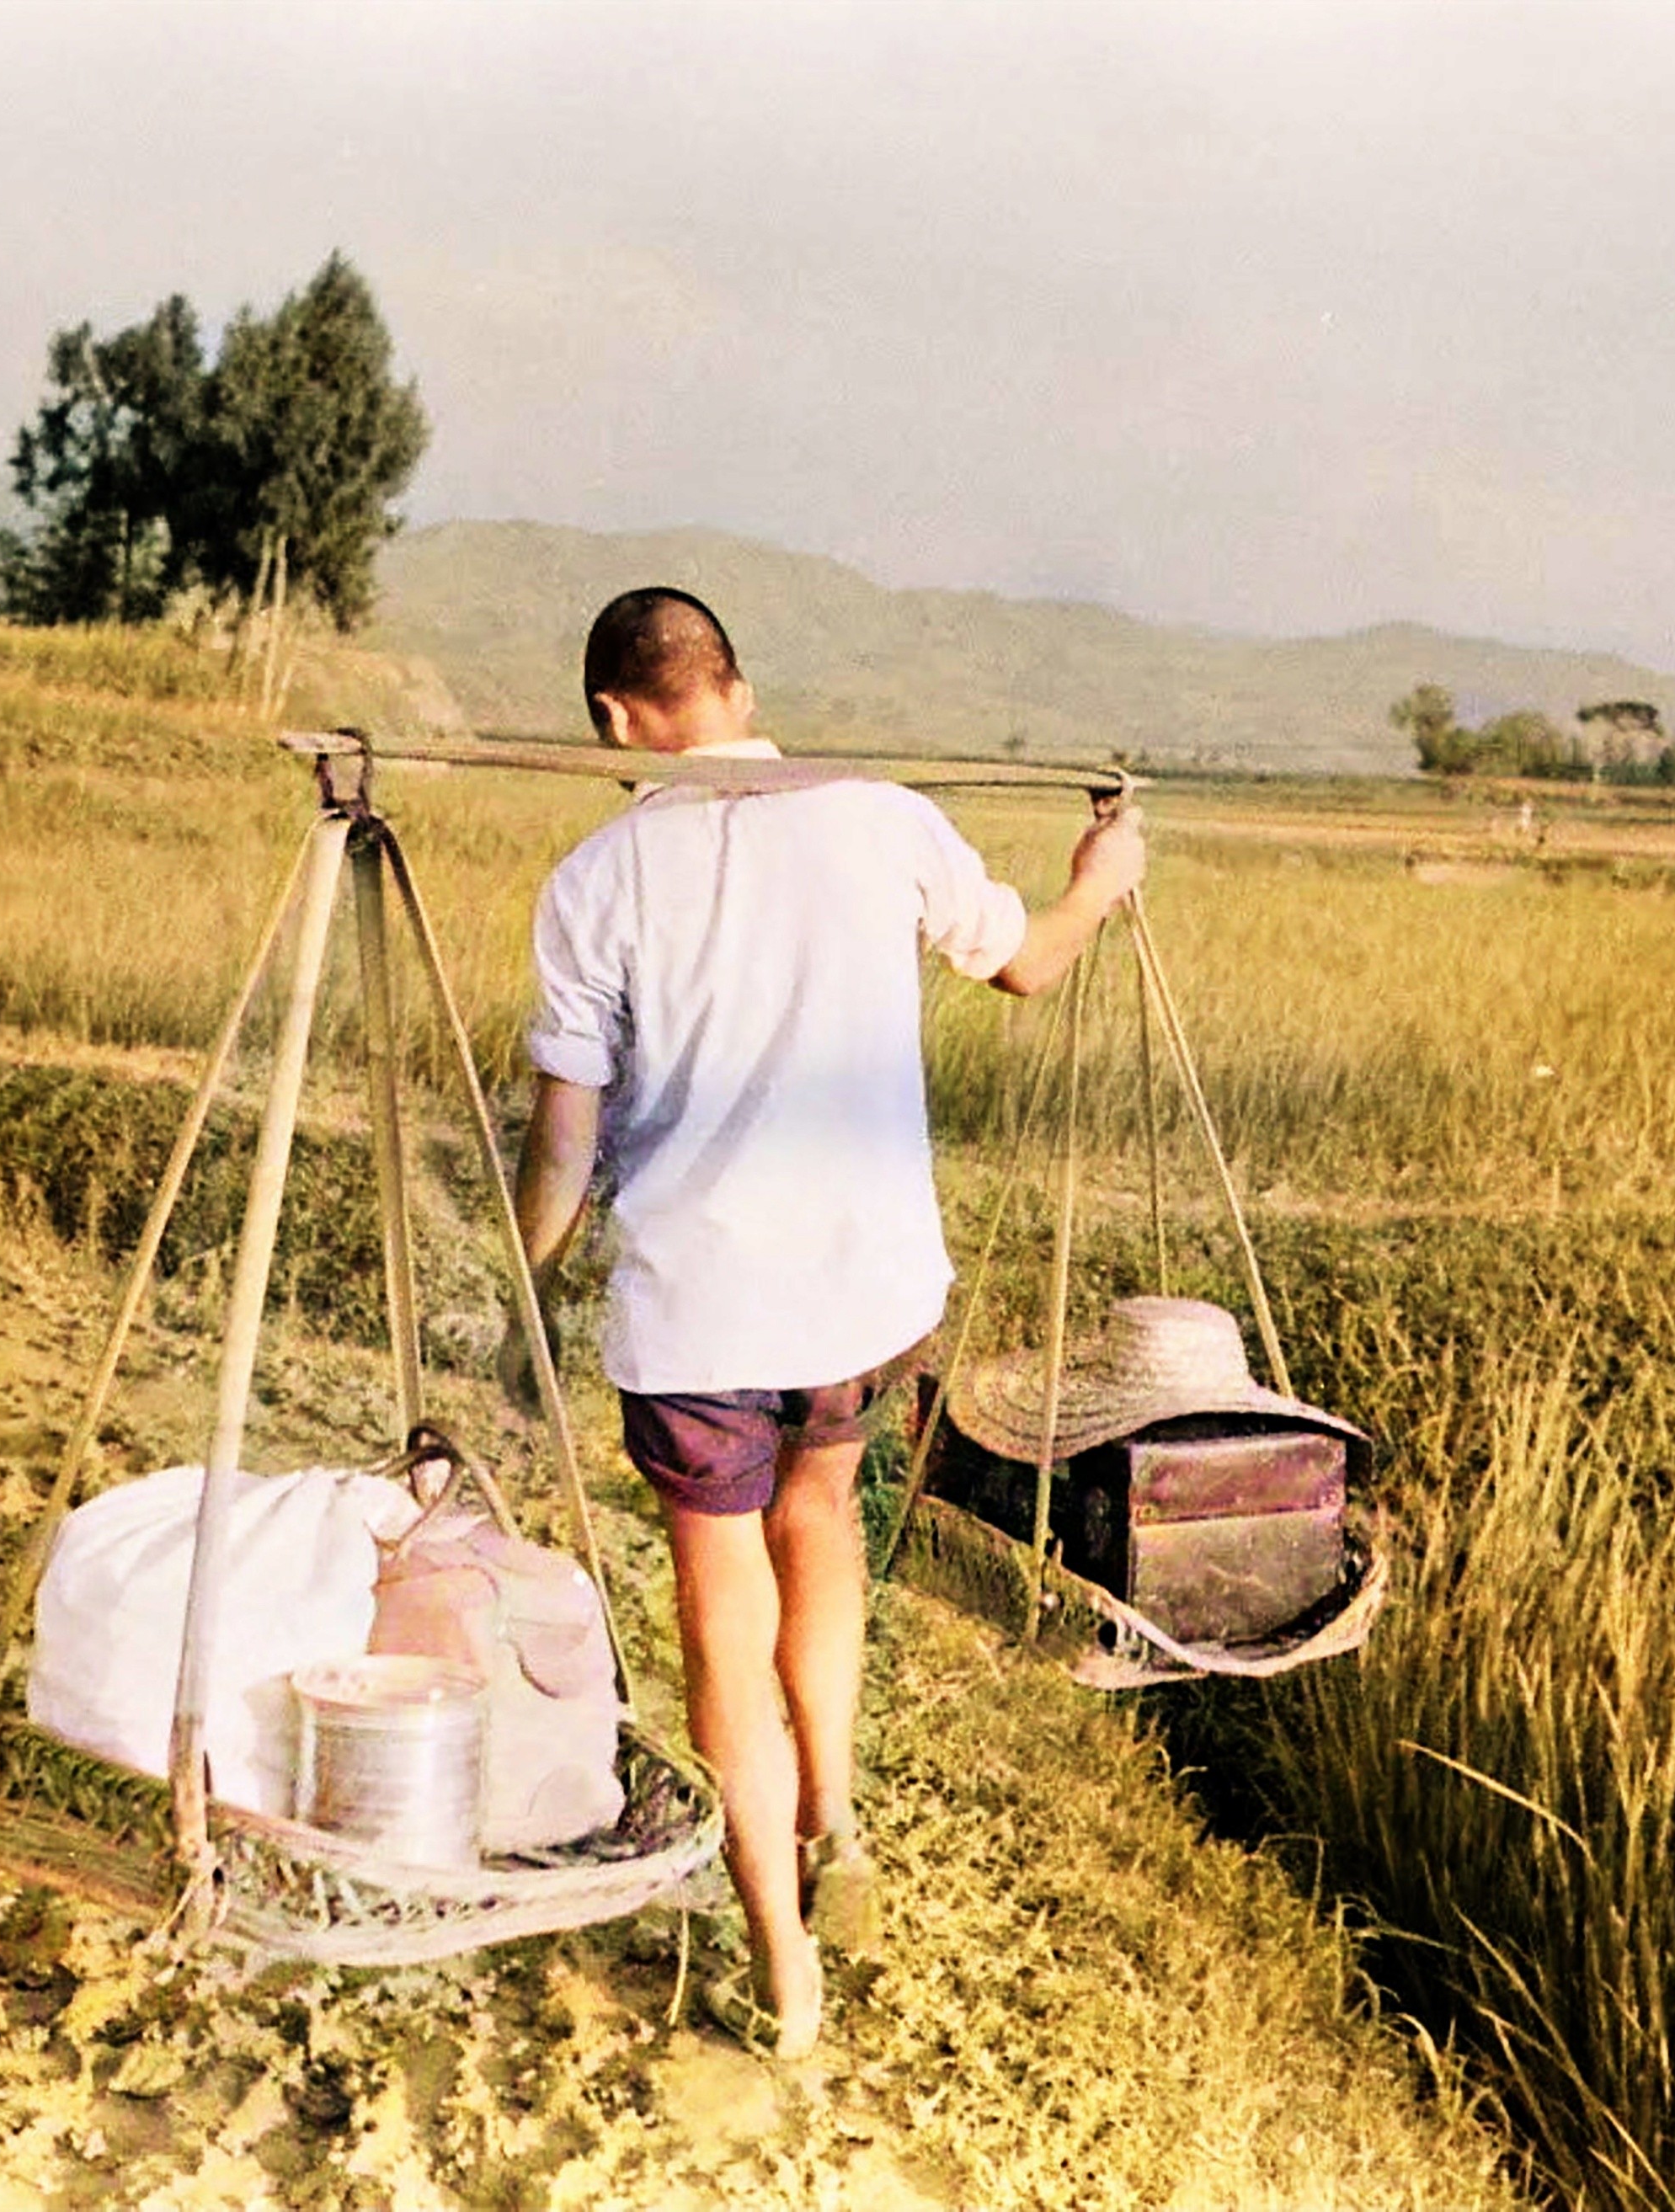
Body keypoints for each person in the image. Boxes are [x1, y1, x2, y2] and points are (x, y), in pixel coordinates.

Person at [504, 586, 1144, 2057]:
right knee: (824, 1525)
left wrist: (524, 1275)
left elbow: (559, 1146)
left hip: (698, 1315)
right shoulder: (880, 816)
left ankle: (784, 1960)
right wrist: (1101, 874)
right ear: (736, 682)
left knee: (722, 1610)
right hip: (861, 1294)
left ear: (614, 718)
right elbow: (1027, 964)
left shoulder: (597, 878)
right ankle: (835, 1815)